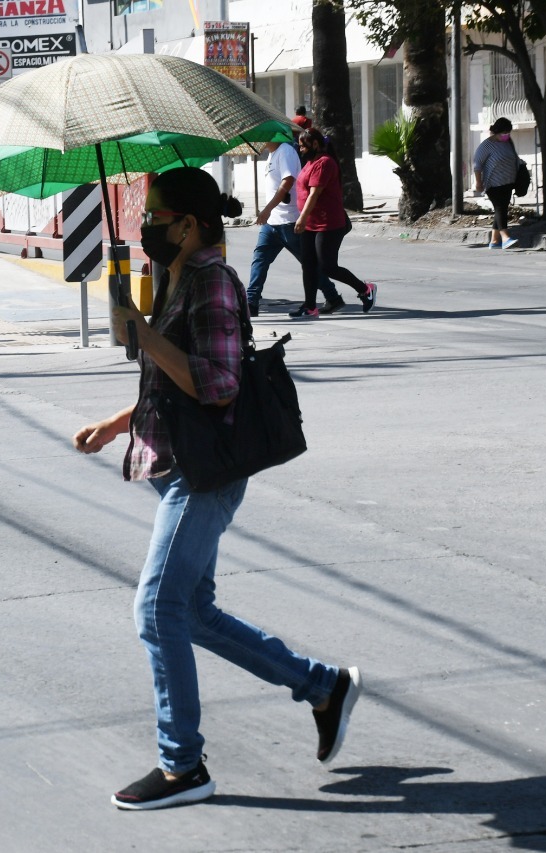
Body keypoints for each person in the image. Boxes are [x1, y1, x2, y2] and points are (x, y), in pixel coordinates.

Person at [72, 166, 362, 811]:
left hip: (206, 474)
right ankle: (323, 687)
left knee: (157, 611)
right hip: (174, 462)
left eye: (157, 215)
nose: (147, 225)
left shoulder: (214, 283)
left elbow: (219, 385)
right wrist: (117, 420)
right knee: (192, 613)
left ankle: (182, 766)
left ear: (191, 223)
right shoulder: (173, 276)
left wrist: (143, 334)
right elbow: (168, 381)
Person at [290, 128, 376, 317]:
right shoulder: (310, 162)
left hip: (328, 224)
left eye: (303, 146)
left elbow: (314, 193)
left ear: (315, 144)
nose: (300, 150)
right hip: (310, 223)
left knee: (327, 266)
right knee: (309, 265)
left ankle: (365, 289)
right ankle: (310, 307)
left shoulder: (325, 163)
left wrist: (302, 218)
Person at [245, 140, 305, 317]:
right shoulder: (272, 154)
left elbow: (287, 182)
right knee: (260, 259)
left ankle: (333, 295)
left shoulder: (285, 151)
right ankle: (251, 302)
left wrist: (267, 210)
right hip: (272, 223)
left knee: (309, 264)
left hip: (289, 221)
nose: (256, 141)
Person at [473, 118, 521, 249]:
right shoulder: (486, 145)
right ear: (496, 132)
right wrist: (478, 182)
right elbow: (477, 165)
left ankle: (494, 241)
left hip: (508, 182)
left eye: (508, 133)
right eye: (504, 133)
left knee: (502, 209)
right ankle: (505, 238)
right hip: (493, 184)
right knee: (500, 208)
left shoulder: (508, 142)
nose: (506, 135)